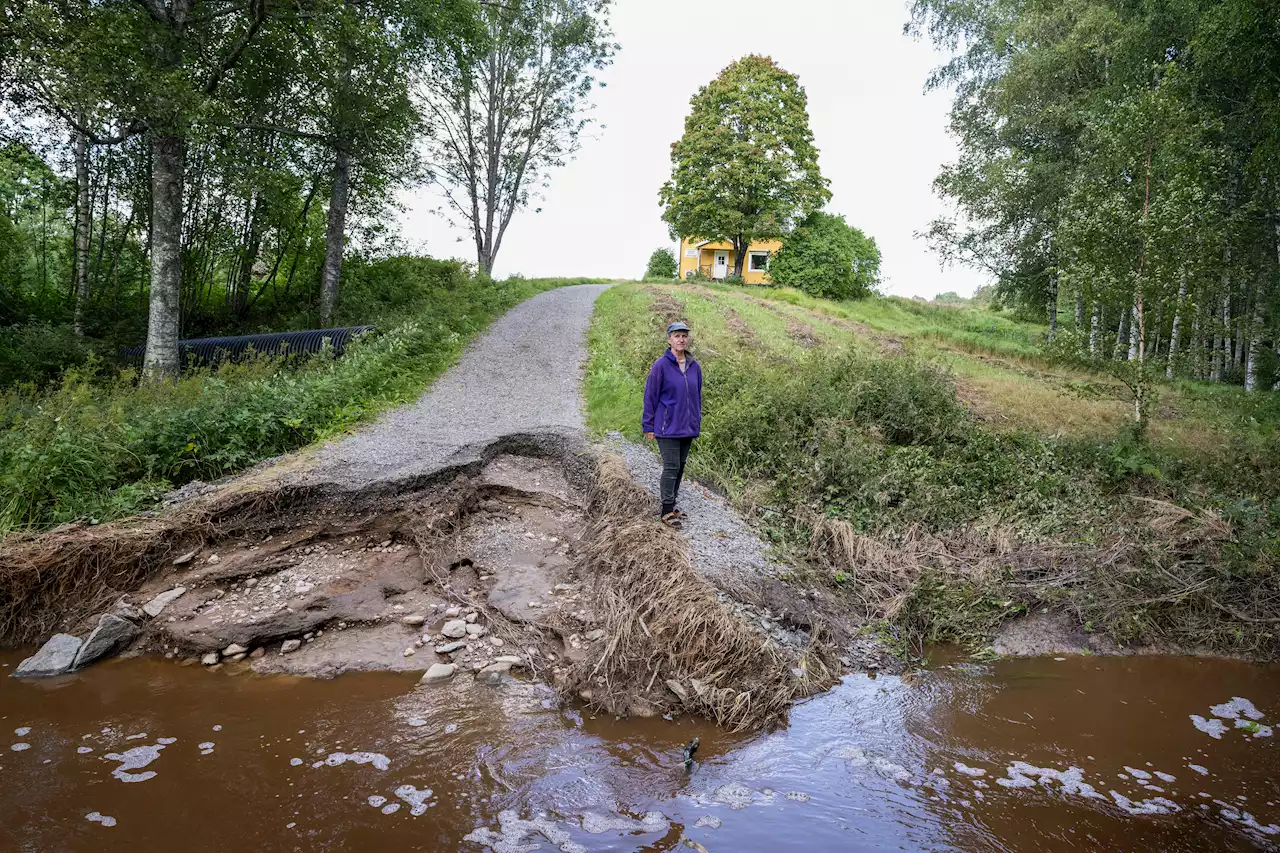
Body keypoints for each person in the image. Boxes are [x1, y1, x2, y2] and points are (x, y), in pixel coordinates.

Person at [642, 321, 703, 529]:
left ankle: (673, 503)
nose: (681, 339)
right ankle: (666, 510)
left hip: (687, 426)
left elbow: (697, 397)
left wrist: (696, 421)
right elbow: (650, 396)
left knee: (681, 467)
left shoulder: (695, 366)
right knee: (671, 467)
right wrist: (648, 425)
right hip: (667, 426)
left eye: (684, 335)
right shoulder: (661, 365)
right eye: (677, 335)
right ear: (669, 339)